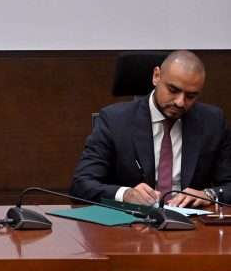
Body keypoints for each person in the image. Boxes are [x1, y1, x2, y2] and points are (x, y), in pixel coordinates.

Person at [70, 50, 231, 208]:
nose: (180, 102)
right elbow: (81, 185)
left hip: (192, 221)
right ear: (156, 76)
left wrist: (209, 195)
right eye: (173, 90)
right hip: (130, 221)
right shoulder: (114, 120)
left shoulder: (212, 121)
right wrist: (125, 194)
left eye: (190, 95)